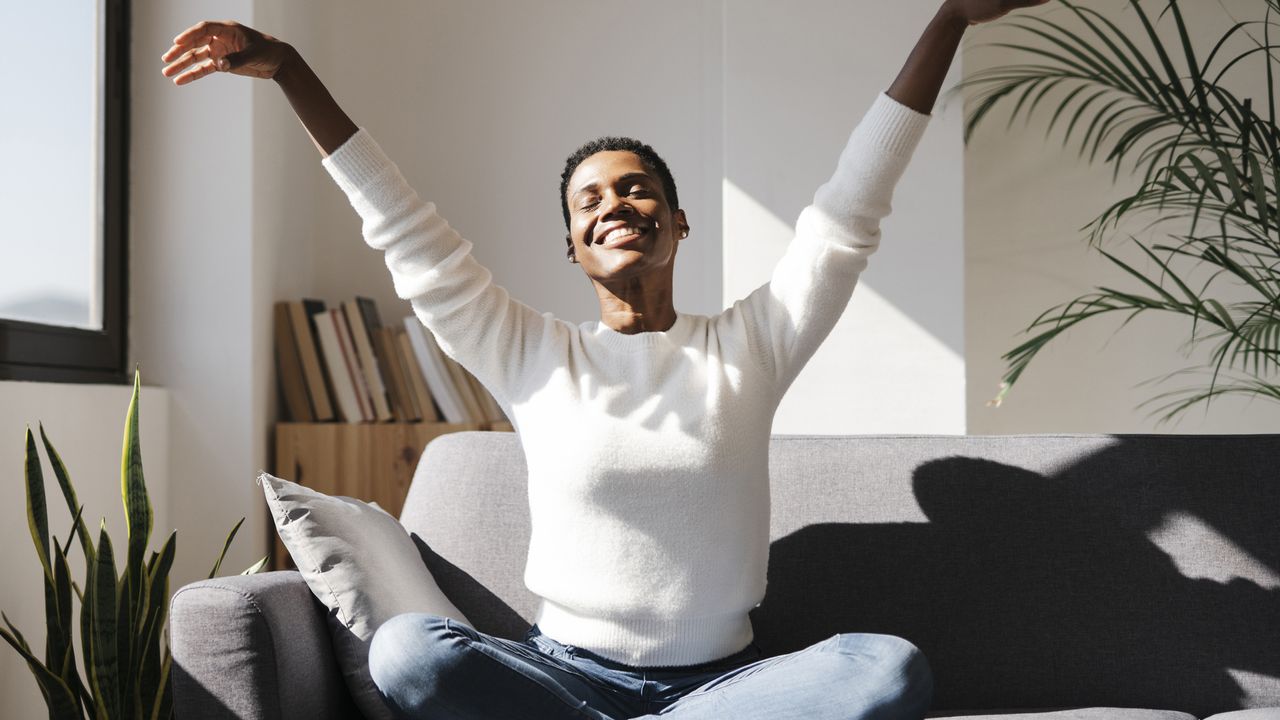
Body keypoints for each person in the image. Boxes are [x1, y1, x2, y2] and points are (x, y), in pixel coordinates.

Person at [163, 2, 1046, 718]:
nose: (616, 203)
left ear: (678, 222)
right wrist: (289, 69)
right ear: (574, 248)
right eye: (591, 200)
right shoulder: (530, 354)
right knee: (407, 652)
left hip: (725, 689)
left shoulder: (752, 344)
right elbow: (409, 236)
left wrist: (950, 19)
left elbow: (848, 213)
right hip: (561, 681)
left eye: (638, 189)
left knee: (889, 669)